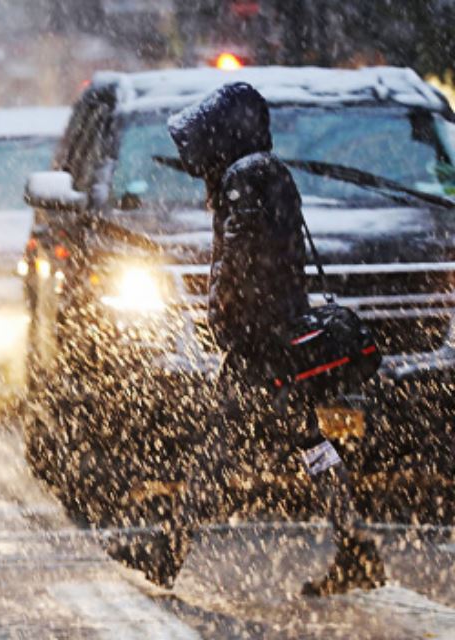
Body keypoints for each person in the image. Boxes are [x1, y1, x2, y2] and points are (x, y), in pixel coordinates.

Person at [107, 82, 387, 596]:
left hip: (262, 344)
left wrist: (235, 325)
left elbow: (242, 265)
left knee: (218, 450)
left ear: (223, 133)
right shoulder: (265, 171)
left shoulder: (244, 178)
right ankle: (355, 546)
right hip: (281, 333)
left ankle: (171, 551)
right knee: (310, 442)